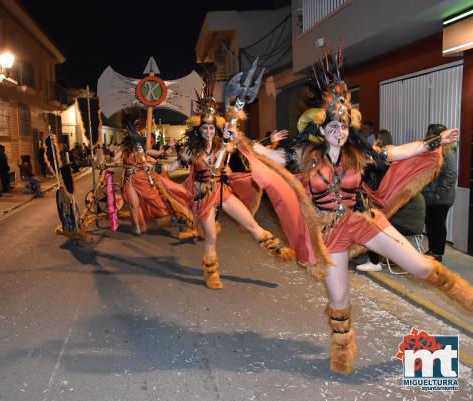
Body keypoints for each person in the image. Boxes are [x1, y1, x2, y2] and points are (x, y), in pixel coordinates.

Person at [234, 47, 472, 374]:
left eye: (344, 125)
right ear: (322, 128)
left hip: (363, 220)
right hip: (329, 234)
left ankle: (467, 299)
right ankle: (343, 354)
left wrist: (435, 141)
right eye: (333, 125)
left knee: (419, 266)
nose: (339, 129)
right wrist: (237, 132)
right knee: (339, 298)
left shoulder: (359, 154)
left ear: (349, 128)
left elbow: (397, 152)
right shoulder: (304, 155)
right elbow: (265, 157)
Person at [158, 96, 294, 289]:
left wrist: (269, 141)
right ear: (199, 129)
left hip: (222, 191)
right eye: (204, 128)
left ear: (216, 128)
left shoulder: (225, 144)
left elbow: (248, 148)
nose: (208, 131)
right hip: (203, 196)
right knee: (212, 236)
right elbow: (172, 166)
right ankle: (211, 272)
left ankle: (277, 249)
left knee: (250, 223)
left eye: (211, 127)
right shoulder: (191, 150)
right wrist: (155, 167)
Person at [119, 108, 193, 236]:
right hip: (129, 178)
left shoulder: (141, 144)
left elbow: (157, 153)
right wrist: (110, 152)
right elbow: (114, 157)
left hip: (142, 177)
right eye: (133, 126)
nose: (135, 129)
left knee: (156, 199)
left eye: (136, 126)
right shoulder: (124, 145)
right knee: (133, 203)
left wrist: (168, 146)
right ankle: (137, 225)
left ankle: (171, 214)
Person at [356, 129, 393, 272]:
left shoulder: (383, 155)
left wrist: (372, 149)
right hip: (377, 193)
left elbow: (372, 166)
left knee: (371, 225)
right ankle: (375, 258)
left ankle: (375, 261)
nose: (377, 140)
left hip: (376, 194)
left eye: (379, 138)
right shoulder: (384, 154)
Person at [422, 123, 457, 262]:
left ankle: (437, 253)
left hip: (440, 196)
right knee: (430, 223)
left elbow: (451, 173)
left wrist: (438, 192)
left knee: (437, 224)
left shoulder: (447, 151)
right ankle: (432, 250)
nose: (427, 136)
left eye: (430, 133)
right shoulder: (434, 150)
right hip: (431, 195)